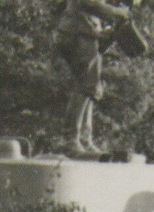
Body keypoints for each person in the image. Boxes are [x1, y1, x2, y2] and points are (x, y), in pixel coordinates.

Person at [53, 0, 130, 157]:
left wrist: (110, 24)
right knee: (87, 85)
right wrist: (118, 12)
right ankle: (71, 139)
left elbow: (92, 11)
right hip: (78, 35)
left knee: (90, 86)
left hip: (80, 34)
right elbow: (90, 4)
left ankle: (84, 138)